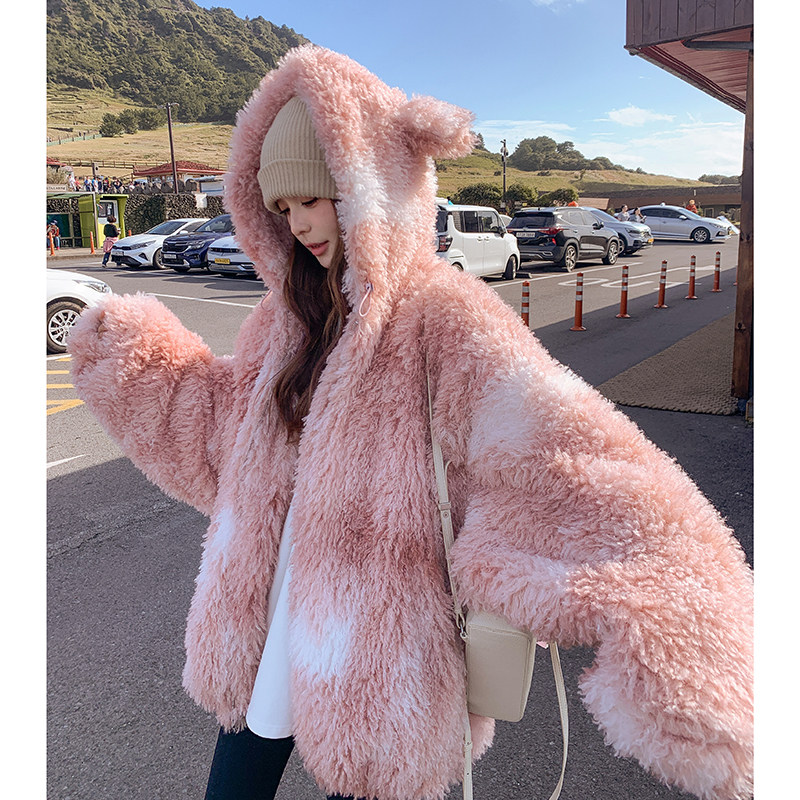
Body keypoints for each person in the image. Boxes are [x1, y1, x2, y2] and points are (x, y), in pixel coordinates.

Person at [68, 46, 753, 800]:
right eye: (283, 208)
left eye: (314, 197)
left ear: (371, 187)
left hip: (377, 641)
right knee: (233, 783)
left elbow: (565, 451)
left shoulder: (444, 314)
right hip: (268, 607)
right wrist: (140, 364)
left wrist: (679, 607)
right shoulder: (285, 318)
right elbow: (227, 436)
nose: (299, 225)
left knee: (361, 777)